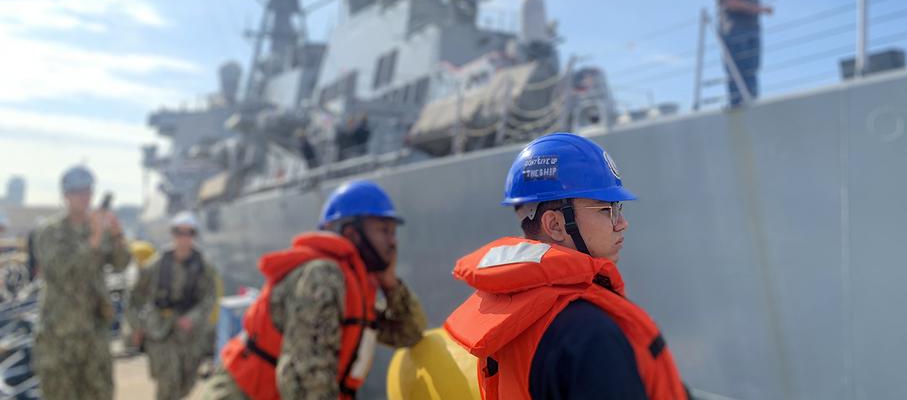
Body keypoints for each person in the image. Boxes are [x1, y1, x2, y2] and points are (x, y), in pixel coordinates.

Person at [445, 133, 688, 399]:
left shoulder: (508, 316)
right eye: (606, 210)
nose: (621, 223)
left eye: (618, 208)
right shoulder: (588, 335)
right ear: (555, 225)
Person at [201, 179, 426, 399]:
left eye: (393, 232)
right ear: (351, 233)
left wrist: (390, 285)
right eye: (383, 230)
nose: (392, 242)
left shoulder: (354, 287)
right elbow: (306, 376)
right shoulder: (323, 277)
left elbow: (410, 333)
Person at [32, 165, 132, 400]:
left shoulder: (97, 227)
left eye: (88, 191)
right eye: (78, 192)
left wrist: (117, 236)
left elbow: (121, 264)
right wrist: (95, 239)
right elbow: (62, 272)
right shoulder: (49, 231)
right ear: (65, 196)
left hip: (94, 333)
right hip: (59, 336)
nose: (85, 197)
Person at [127, 211, 218, 400]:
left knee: (187, 382)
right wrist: (136, 326)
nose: (183, 238)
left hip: (190, 334)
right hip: (161, 330)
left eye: (189, 233)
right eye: (179, 232)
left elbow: (209, 298)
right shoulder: (157, 264)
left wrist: (192, 318)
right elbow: (135, 295)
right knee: (168, 383)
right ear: (173, 234)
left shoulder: (204, 267)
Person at [714, 0, 774, 107]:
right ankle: (737, 102)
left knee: (752, 69)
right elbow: (733, 3)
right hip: (735, 32)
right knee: (737, 71)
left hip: (752, 30)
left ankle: (751, 100)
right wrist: (760, 9)